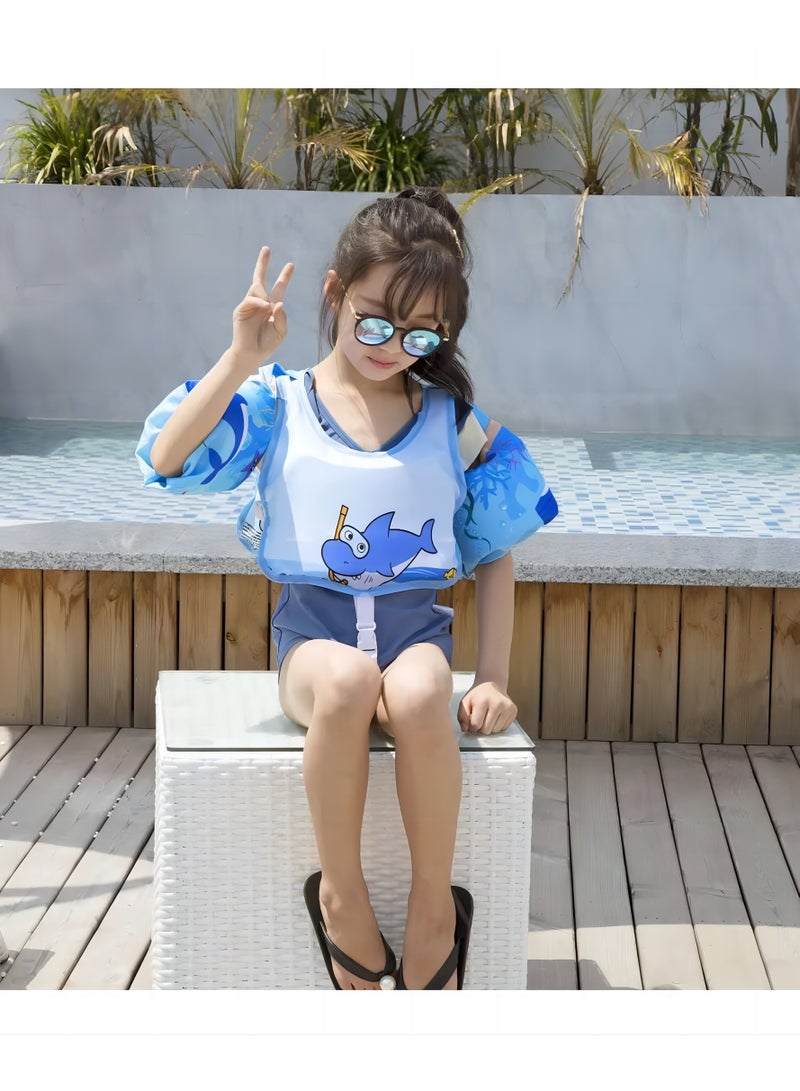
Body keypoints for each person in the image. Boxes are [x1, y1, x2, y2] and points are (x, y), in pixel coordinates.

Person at [136, 186, 558, 991]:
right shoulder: (279, 403)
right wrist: (240, 358)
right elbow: (167, 458)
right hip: (313, 644)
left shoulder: (449, 420)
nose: (392, 346)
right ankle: (341, 893)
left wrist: (495, 675)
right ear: (335, 292)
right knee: (347, 679)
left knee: (423, 686)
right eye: (373, 321)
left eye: (420, 333)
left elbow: (498, 549)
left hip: (414, 637)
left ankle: (433, 907)